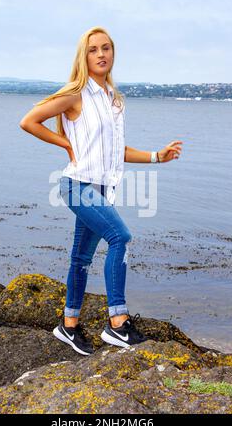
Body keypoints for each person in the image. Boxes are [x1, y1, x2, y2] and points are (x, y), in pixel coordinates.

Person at [20, 26, 183, 356]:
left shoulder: (113, 100)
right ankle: (117, 322)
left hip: (101, 189)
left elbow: (117, 151)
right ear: (85, 56)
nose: (101, 54)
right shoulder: (75, 93)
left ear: (113, 53)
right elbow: (29, 120)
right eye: (94, 49)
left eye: (106, 48)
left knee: (81, 258)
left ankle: (68, 326)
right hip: (77, 186)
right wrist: (65, 142)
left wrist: (156, 157)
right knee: (120, 237)